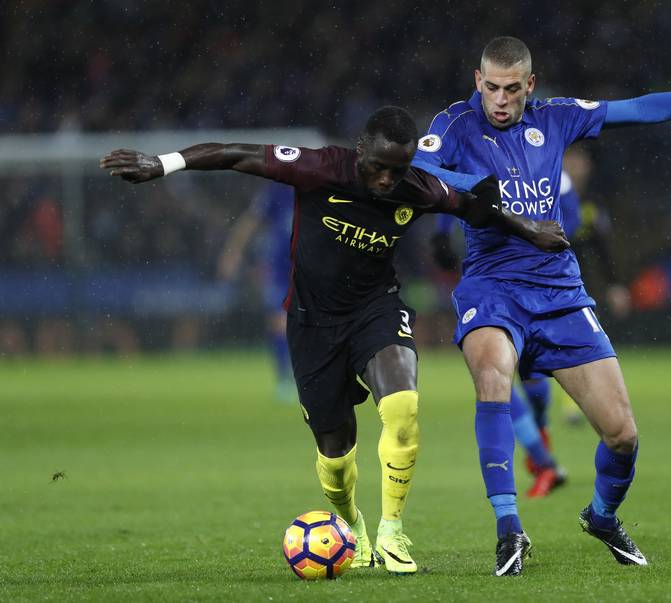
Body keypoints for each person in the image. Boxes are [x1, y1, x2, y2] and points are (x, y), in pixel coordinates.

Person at [100, 105, 569, 575]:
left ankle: (392, 531)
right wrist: (162, 164)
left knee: (403, 406)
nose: (387, 180)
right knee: (335, 448)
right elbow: (233, 154)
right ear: (360, 150)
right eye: (379, 166)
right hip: (312, 323)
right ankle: (352, 527)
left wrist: (528, 228)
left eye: (398, 169)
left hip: (375, 309)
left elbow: (473, 207)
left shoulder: (417, 188)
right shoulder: (321, 168)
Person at [418, 36, 671, 575]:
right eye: (491, 87)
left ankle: (602, 516)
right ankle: (509, 528)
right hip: (492, 287)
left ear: (530, 86)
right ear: (477, 81)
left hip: (560, 294)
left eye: (513, 89)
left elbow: (640, 109)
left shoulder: (557, 118)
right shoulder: (454, 124)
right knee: (493, 380)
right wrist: (476, 187)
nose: (501, 100)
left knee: (623, 434)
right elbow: (418, 172)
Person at [217, 182, 298, 403]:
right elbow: (250, 221)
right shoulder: (277, 190)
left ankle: (315, 377)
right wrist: (232, 253)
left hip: (312, 265)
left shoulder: (322, 187)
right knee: (279, 322)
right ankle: (285, 380)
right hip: (280, 268)